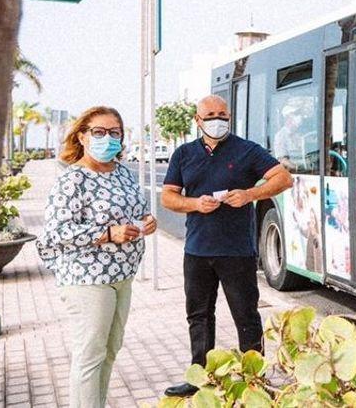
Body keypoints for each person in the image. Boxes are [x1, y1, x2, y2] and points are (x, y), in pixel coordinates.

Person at [161, 95, 293, 398]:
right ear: (198, 120)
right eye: (209, 115)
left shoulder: (247, 150)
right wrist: (195, 203)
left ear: (229, 118)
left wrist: (249, 194)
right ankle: (200, 376)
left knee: (246, 316)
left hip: (237, 252)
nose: (216, 120)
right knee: (199, 316)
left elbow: (283, 178)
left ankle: (254, 379)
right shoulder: (183, 154)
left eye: (222, 115)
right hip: (196, 251)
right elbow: (168, 197)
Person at [37, 106, 157, 408]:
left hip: (122, 277)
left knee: (110, 349)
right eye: (99, 132)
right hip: (87, 279)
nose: (108, 138)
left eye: (114, 132)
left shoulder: (123, 173)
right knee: (90, 354)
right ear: (82, 136)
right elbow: (57, 232)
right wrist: (107, 234)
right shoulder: (73, 179)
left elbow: (137, 208)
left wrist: (146, 220)